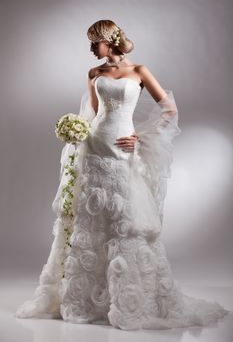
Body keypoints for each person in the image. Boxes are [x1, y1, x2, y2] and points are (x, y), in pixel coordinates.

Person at [15, 19, 230, 330]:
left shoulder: (140, 72)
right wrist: (76, 133)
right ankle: (84, 299)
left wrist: (140, 137)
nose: (91, 49)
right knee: (90, 219)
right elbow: (91, 114)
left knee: (124, 221)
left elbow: (170, 110)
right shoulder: (94, 74)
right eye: (90, 44)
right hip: (94, 147)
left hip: (123, 150)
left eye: (94, 43)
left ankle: (127, 296)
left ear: (109, 41)